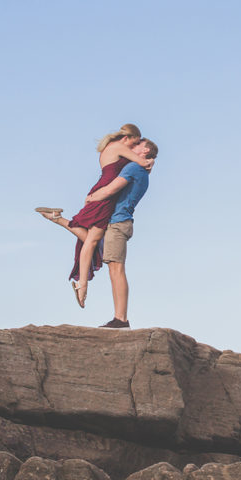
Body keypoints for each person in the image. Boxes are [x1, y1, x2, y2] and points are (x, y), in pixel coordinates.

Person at [35, 124, 153, 308]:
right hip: (105, 196)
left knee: (92, 238)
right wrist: (150, 163)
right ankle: (82, 286)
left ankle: (56, 218)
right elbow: (143, 163)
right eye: (134, 142)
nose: (133, 148)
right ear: (128, 138)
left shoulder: (110, 148)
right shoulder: (119, 147)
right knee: (92, 242)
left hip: (102, 192)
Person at [82, 137, 157, 328]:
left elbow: (111, 189)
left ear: (145, 151)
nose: (132, 147)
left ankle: (121, 319)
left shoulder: (134, 168)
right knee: (114, 269)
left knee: (117, 270)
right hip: (120, 221)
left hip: (119, 221)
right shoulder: (141, 170)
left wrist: (91, 198)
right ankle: (119, 318)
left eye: (137, 145)